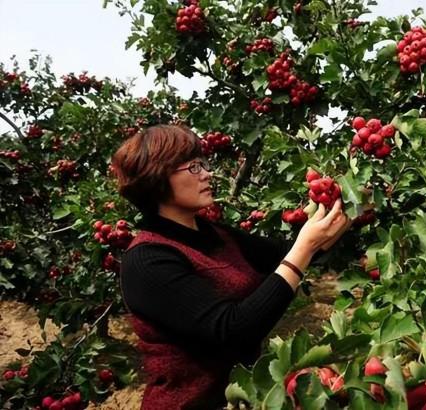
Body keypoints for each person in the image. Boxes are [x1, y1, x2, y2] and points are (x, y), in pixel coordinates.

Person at [111, 125, 351, 410]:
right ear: (157, 177)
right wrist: (305, 247)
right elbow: (231, 330)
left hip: (245, 398)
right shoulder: (147, 260)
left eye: (204, 163)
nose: (207, 173)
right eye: (193, 167)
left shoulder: (216, 235)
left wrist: (344, 206)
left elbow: (287, 252)